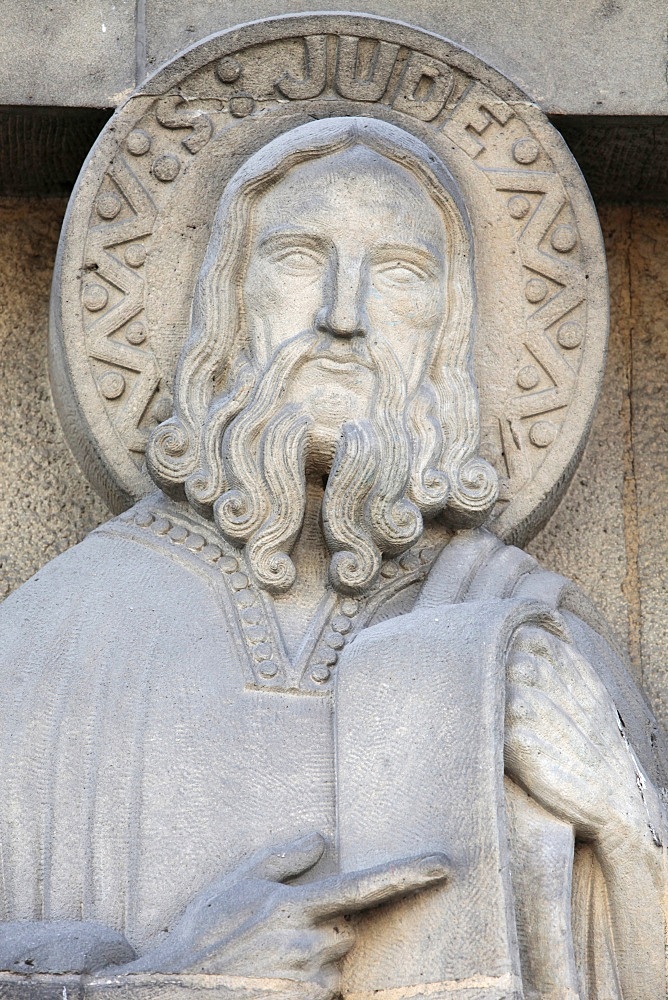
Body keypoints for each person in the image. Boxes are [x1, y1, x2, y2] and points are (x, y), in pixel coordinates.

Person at [0, 117, 665, 998]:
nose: (342, 315)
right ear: (229, 297)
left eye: (398, 273)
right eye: (299, 257)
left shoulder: (535, 641)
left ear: (447, 327)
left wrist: (624, 826)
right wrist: (169, 981)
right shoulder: (56, 637)